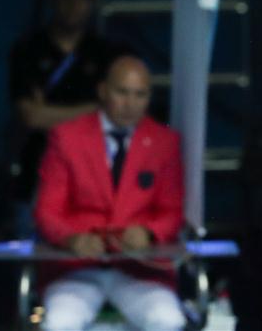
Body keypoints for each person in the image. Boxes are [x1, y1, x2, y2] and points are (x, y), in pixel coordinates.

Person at [34, 55, 186, 331]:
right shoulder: (66, 137)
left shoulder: (166, 142)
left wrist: (149, 232)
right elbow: (47, 211)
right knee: (58, 324)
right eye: (122, 92)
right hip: (76, 269)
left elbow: (172, 211)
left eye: (140, 95)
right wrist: (72, 239)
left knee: (168, 320)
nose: (130, 104)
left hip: (141, 270)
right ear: (103, 90)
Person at [8, 0, 120, 234]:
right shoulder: (28, 50)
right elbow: (31, 117)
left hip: (93, 176)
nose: (74, 4)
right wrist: (94, 111)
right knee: (35, 258)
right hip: (37, 171)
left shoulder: (105, 53)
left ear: (92, 2)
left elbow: (117, 113)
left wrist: (49, 113)